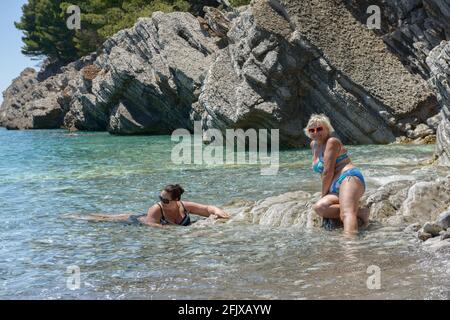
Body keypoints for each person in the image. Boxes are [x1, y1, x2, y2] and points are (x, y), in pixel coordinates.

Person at [305, 114, 369, 235]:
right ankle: (361, 212)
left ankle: (350, 245)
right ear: (307, 132)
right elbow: (322, 172)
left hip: (348, 178)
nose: (315, 132)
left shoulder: (332, 142)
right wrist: (326, 193)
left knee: (346, 213)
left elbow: (327, 172)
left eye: (319, 129)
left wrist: (324, 194)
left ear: (327, 129)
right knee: (320, 207)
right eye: (311, 130)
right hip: (334, 185)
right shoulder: (313, 145)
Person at [69, 184, 230, 227]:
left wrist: (220, 213)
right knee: (106, 219)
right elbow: (155, 228)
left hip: (145, 218)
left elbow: (208, 209)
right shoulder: (156, 208)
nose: (161, 201)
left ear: (176, 199)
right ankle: (76, 216)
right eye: (160, 198)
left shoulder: (184, 205)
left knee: (109, 217)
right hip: (139, 221)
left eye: (165, 200)